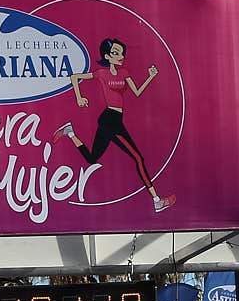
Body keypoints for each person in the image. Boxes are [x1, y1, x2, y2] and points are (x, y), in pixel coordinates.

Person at [56, 37, 174, 214]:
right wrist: (79, 97)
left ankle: (70, 132)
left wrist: (150, 77)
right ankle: (156, 200)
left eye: (121, 53)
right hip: (110, 119)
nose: (120, 56)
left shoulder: (124, 72)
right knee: (138, 158)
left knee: (91, 158)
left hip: (114, 120)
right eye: (115, 53)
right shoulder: (102, 73)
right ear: (107, 56)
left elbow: (137, 92)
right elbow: (75, 77)